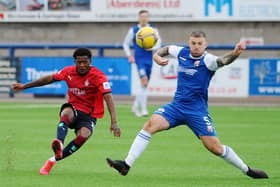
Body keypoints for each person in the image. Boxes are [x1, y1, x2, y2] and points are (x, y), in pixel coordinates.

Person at [106, 31, 268, 179]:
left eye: (199, 43)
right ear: (189, 43)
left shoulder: (208, 60)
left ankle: (247, 170)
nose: (196, 46)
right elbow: (166, 49)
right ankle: (126, 164)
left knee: (215, 148)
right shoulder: (182, 52)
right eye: (193, 43)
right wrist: (156, 56)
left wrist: (235, 53)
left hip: (197, 112)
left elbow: (223, 60)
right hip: (176, 107)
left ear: (205, 45)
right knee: (150, 125)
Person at [11, 48, 121, 175]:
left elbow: (108, 97)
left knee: (83, 136)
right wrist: (25, 86)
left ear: (90, 61)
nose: (82, 65)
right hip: (74, 108)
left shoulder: (99, 76)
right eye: (79, 62)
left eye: (85, 62)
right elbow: (49, 79)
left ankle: (52, 161)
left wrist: (114, 122)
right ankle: (60, 143)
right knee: (67, 112)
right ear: (75, 62)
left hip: (90, 115)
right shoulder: (68, 71)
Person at [123, 9, 162, 117]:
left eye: (146, 16)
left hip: (150, 59)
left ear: (148, 18)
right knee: (144, 82)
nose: (144, 18)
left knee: (144, 85)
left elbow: (159, 43)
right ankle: (144, 109)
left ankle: (135, 106)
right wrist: (129, 55)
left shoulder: (153, 30)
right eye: (142, 16)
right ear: (139, 17)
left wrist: (153, 47)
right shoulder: (134, 30)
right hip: (139, 59)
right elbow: (125, 44)